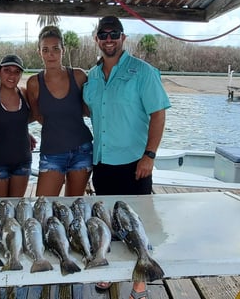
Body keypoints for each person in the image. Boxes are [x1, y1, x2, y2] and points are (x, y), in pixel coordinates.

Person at [82, 16, 171, 299]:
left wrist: (150, 156)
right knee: (108, 221)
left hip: (135, 163)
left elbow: (158, 113)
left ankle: (139, 281)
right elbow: (89, 111)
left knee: (138, 223)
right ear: (96, 39)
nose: (109, 39)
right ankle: (109, 273)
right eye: (103, 34)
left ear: (123, 37)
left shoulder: (143, 72)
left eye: (114, 34)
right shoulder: (92, 76)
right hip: (102, 161)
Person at [26, 26, 93, 197]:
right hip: (52, 152)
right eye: (45, 50)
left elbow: (89, 110)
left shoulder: (79, 76)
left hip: (82, 150)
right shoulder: (34, 83)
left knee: (74, 205)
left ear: (63, 50)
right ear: (39, 52)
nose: (51, 54)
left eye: (56, 49)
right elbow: (37, 116)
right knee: (44, 203)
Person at [0, 54, 35, 197]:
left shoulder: (24, 93)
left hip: (23, 161)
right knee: (1, 208)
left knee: (17, 207)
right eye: (7, 70)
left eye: (16, 71)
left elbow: (33, 116)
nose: (12, 75)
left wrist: (20, 130)